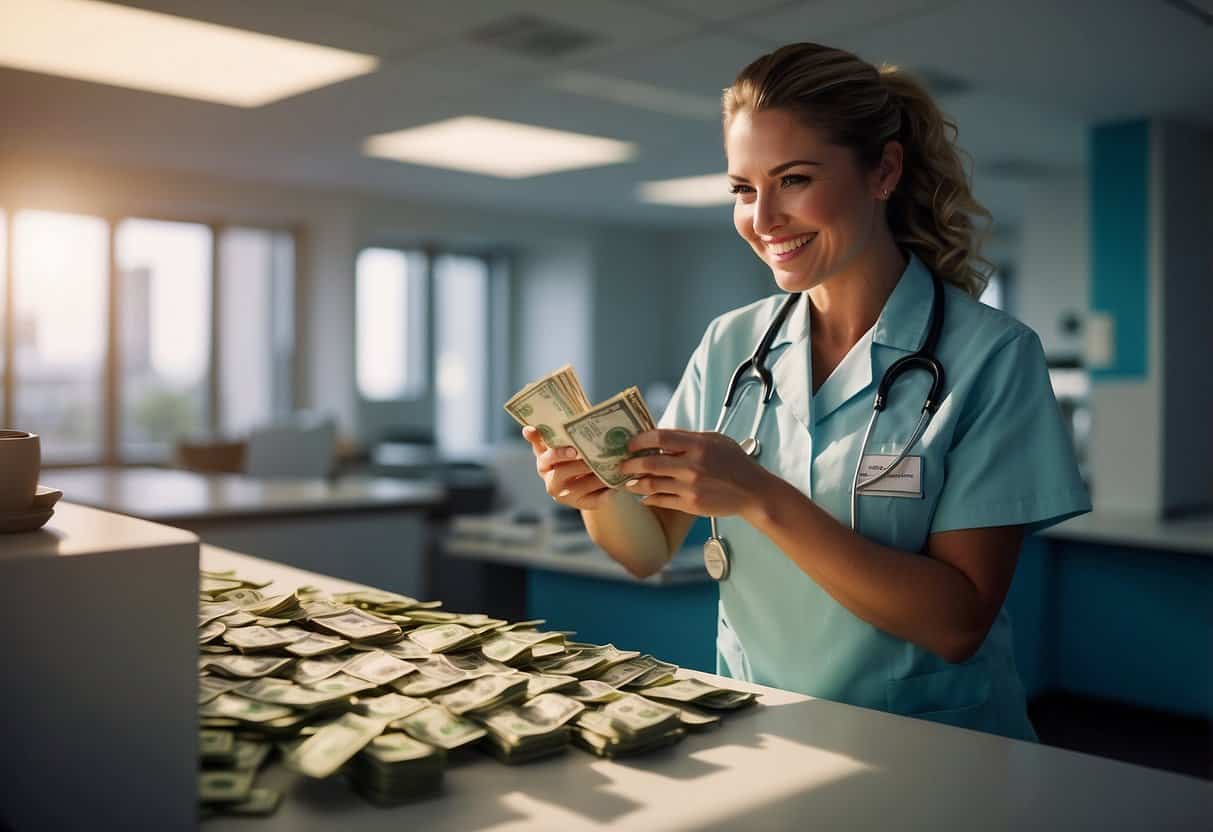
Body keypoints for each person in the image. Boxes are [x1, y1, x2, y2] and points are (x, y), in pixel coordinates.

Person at [522, 42, 1090, 741]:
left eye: (792, 179)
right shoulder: (731, 346)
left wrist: (758, 495)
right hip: (760, 726)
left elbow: (956, 622)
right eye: (741, 188)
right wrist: (596, 493)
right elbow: (646, 549)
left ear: (882, 170)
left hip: (929, 745)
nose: (761, 219)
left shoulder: (990, 357)